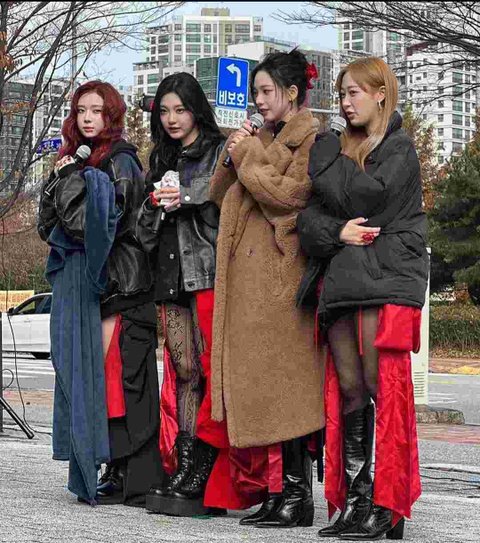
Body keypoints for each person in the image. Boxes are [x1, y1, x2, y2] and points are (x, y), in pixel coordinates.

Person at [296, 57, 429, 540]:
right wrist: (337, 232)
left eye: (353, 92)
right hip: (343, 280)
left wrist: (326, 158)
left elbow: (365, 199)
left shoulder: (398, 148)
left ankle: (386, 504)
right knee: (350, 389)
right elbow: (308, 222)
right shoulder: (341, 146)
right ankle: (357, 500)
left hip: (385, 278)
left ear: (380, 93)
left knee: (379, 386)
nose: (345, 103)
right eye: (341, 94)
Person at [206, 49, 325, 527]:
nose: (257, 100)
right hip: (251, 283)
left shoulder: (311, 139)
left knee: (289, 387)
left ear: (292, 93)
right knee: (267, 386)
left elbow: (289, 196)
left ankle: (298, 495)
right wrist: (231, 154)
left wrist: (248, 155)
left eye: (265, 91)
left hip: (282, 278)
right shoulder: (262, 138)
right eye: (255, 92)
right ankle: (279, 493)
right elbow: (218, 196)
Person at [38, 80, 163, 507]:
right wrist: (62, 178)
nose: (87, 118)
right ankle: (109, 464)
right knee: (94, 378)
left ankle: (125, 470)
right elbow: (48, 226)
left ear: (112, 115)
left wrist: (68, 179)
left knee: (115, 379)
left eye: (97, 110)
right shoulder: (76, 160)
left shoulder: (121, 160)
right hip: (90, 284)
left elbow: (92, 225)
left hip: (120, 283)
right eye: (81, 111)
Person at [136, 72, 229, 516]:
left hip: (208, 273)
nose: (172, 119)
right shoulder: (160, 156)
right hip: (170, 274)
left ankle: (206, 472)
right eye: (165, 111)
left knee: (210, 372)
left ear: (196, 110)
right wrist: (153, 206)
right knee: (184, 370)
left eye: (181, 109)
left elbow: (224, 200)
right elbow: (143, 231)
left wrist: (185, 197)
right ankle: (186, 467)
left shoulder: (219, 150)